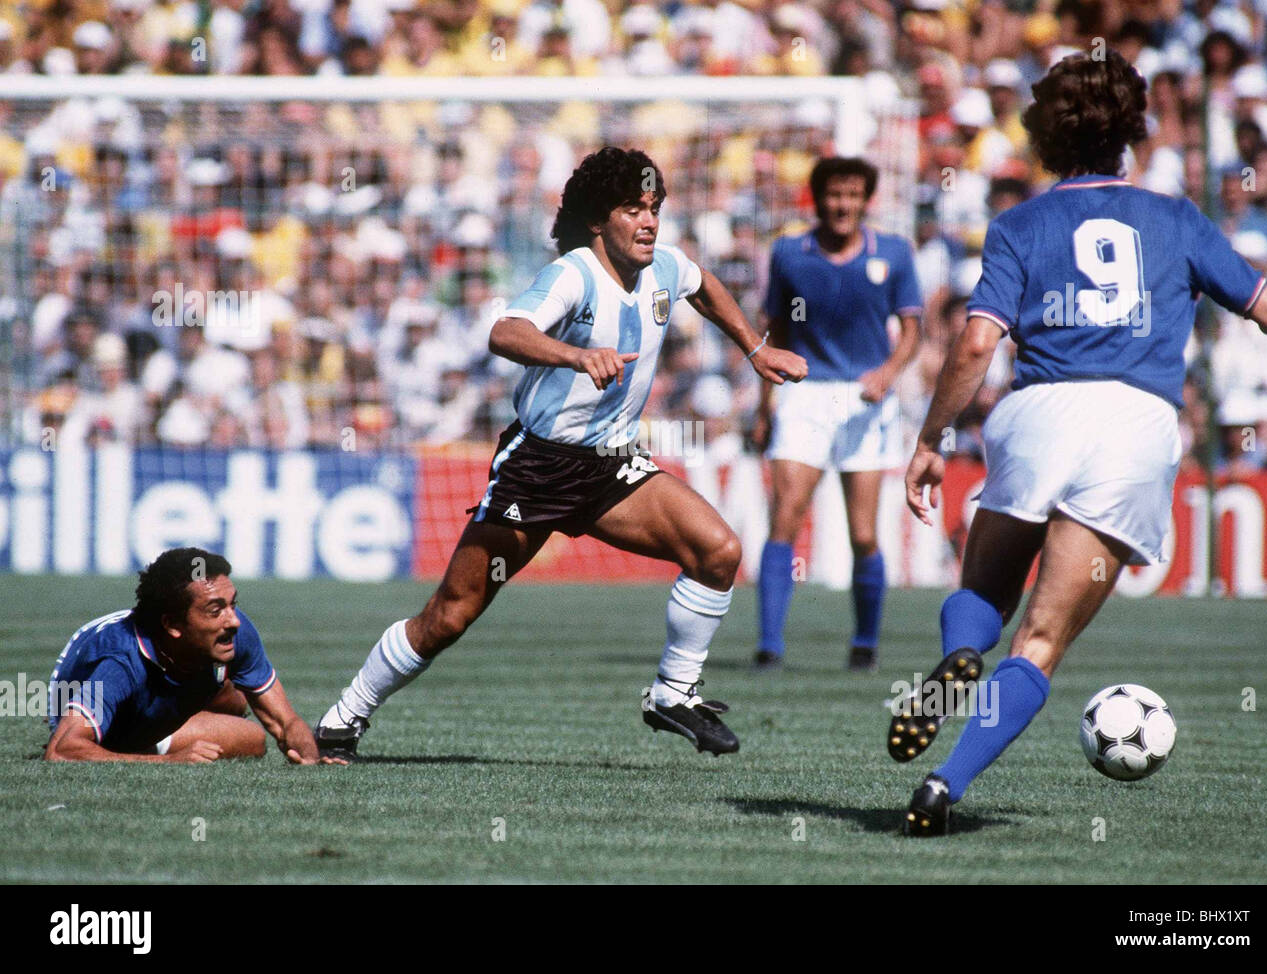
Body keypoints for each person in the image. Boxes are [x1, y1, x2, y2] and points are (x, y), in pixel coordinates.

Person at [893, 51, 1267, 836]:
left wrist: (932, 437)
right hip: (1131, 429)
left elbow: (977, 343)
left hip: (1038, 413)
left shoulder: (1018, 224)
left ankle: (949, 674)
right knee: (1040, 640)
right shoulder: (1175, 217)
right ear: (1133, 133)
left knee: (984, 592)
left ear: (1044, 135)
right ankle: (945, 785)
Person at [315, 147, 807, 758]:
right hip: (540, 469)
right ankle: (344, 716)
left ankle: (673, 693)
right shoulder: (575, 274)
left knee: (718, 550)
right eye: (633, 209)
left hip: (611, 467)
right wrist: (576, 354)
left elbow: (703, 287)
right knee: (450, 614)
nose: (649, 221)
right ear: (600, 221)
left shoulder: (664, 269)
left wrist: (755, 350)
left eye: (654, 208)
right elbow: (505, 332)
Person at [751, 157, 922, 671]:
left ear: (865, 200)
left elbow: (912, 329)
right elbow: (774, 331)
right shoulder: (789, 253)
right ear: (818, 199)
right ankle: (769, 646)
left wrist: (887, 374)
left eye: (851, 195)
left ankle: (865, 642)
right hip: (805, 394)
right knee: (785, 518)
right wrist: (766, 403)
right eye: (832, 195)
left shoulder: (893, 253)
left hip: (867, 401)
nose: (841, 205)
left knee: (863, 532)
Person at [45, 547, 339, 764]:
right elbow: (61, 750)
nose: (233, 620)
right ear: (172, 624)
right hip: (115, 728)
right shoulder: (117, 662)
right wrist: (170, 762)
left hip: (179, 676)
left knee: (251, 734)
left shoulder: (235, 630)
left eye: (232, 604)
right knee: (239, 728)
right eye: (216, 610)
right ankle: (147, 746)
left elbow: (286, 722)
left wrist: (310, 757)